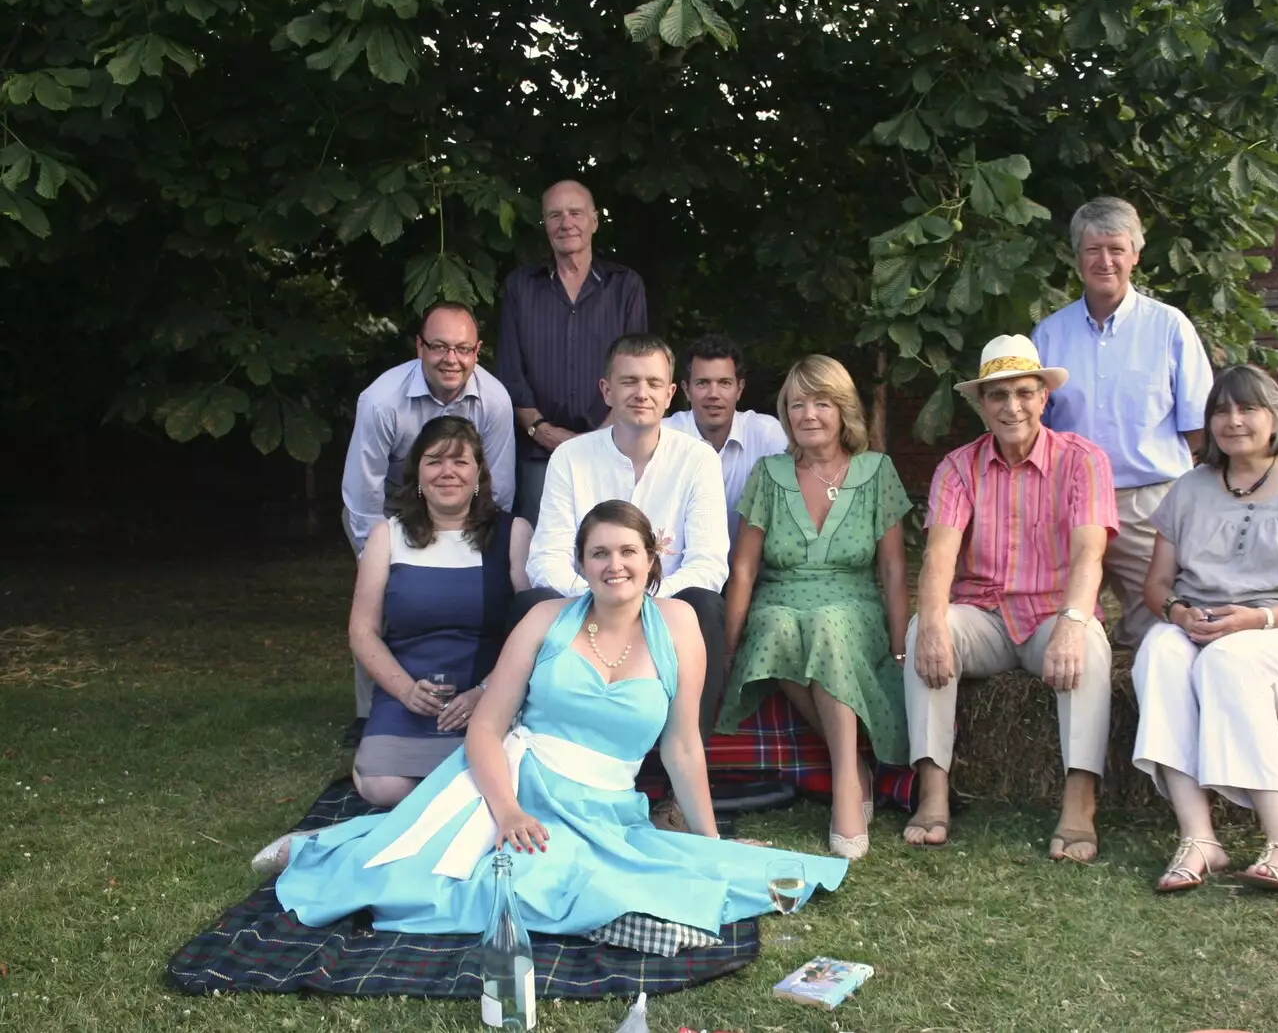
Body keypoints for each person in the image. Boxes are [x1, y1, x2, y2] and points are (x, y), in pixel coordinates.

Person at [260, 501, 847, 944]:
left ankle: (340, 843)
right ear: (580, 563)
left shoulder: (680, 626)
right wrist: (508, 810)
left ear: (650, 559)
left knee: (603, 879)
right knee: (453, 882)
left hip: (603, 803)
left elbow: (683, 747)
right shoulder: (546, 618)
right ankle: (322, 851)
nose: (614, 565)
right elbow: (485, 729)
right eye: (599, 553)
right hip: (519, 783)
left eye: (627, 552)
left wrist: (712, 845)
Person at [1133, 365, 1278, 893]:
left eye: (1247, 409)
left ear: (1275, 416)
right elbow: (1157, 585)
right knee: (1158, 653)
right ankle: (1199, 839)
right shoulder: (1189, 487)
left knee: (1228, 659)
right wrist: (1177, 613)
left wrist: (1256, 621)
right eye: (1221, 411)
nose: (1233, 421)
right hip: (1202, 622)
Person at [902, 335, 1118, 862]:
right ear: (981, 405)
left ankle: (1079, 802)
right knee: (923, 631)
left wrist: (1071, 622)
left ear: (1044, 397)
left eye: (1024, 392)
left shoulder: (1083, 460)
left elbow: (1090, 555)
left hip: (1051, 613)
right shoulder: (958, 466)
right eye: (997, 395)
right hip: (986, 617)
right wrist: (930, 624)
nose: (1012, 406)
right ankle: (933, 794)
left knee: (1087, 646)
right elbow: (938, 557)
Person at [716, 356, 912, 860]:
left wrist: (898, 644)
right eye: (797, 404)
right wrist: (728, 648)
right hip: (780, 596)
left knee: (826, 623)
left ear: (843, 409)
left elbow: (892, 569)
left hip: (853, 602)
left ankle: (846, 781)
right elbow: (743, 570)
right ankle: (854, 772)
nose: (808, 415)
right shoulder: (769, 473)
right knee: (777, 625)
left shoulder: (876, 471)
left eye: (821, 402)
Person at [520, 334, 730, 740]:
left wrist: (644, 603)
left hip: (666, 604)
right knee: (529, 604)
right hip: (583, 604)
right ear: (607, 390)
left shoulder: (698, 459)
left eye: (653, 383)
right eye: (629, 381)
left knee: (705, 604)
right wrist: (598, 601)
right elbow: (545, 558)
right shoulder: (571, 457)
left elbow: (708, 563)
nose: (641, 393)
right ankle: (538, 750)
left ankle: (682, 775)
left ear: (670, 394)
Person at [1032, 196, 1213, 648]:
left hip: (1149, 507)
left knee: (1156, 631)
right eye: (1093, 250)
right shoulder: (1048, 334)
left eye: (1116, 248)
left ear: (1135, 254)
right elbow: (1035, 429)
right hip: (1067, 504)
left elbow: (1200, 429)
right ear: (1077, 259)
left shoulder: (1170, 328)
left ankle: (1144, 718)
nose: (1105, 261)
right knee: (1057, 625)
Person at [340, 302, 516, 737]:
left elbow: (499, 482)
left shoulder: (494, 400)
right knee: (380, 608)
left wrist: (483, 540)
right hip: (387, 507)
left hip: (465, 505)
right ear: (419, 348)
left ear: (477, 351)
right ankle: (373, 711)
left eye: (461, 348)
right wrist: (377, 558)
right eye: (438, 346)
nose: (450, 359)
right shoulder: (381, 400)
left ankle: (489, 693)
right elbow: (363, 491)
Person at [348, 416, 532, 808]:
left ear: (478, 473)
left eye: (460, 462)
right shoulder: (387, 536)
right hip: (407, 698)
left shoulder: (513, 534)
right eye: (434, 461)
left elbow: (533, 633)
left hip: (488, 697)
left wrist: (485, 691)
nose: (447, 472)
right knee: (385, 788)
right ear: (417, 474)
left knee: (489, 785)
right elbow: (362, 632)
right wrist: (405, 691)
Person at [497, 179, 648, 527]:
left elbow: (636, 369)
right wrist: (541, 430)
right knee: (541, 551)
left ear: (594, 220)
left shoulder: (626, 286)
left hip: (613, 446)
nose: (566, 223)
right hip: (538, 452)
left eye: (576, 213)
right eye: (555, 215)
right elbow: (510, 370)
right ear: (545, 225)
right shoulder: (520, 286)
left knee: (614, 547)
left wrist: (601, 436)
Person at [663, 334, 790, 549]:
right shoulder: (664, 435)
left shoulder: (767, 434)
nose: (714, 394)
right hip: (681, 573)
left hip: (755, 573)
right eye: (703, 383)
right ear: (686, 389)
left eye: (724, 383)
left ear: (739, 389)